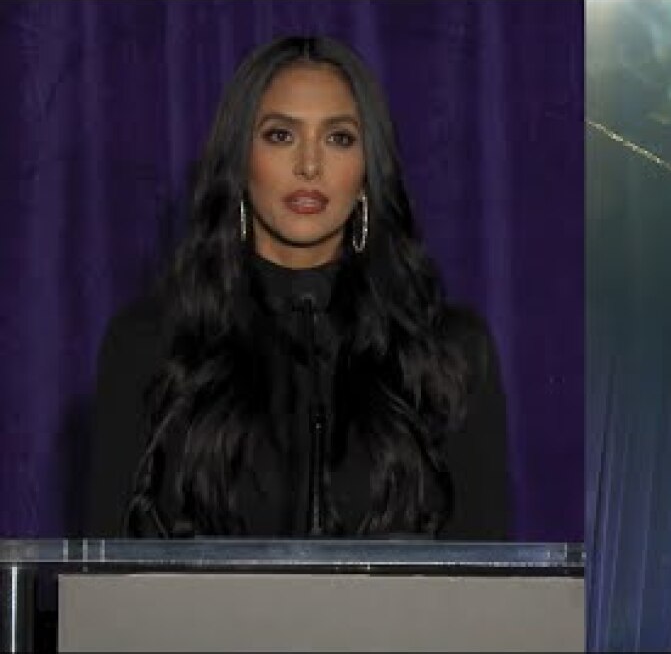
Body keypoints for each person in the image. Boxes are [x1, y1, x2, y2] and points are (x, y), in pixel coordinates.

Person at [86, 35, 510, 540]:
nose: (309, 166)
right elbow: (103, 584)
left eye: (339, 139)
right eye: (281, 136)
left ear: (368, 171)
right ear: (240, 160)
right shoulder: (150, 346)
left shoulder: (449, 352)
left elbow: (489, 587)